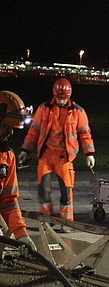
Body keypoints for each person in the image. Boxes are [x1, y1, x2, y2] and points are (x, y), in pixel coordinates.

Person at [18, 78, 95, 224]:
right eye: (58, 98)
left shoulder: (78, 112)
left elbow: (85, 134)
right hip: (46, 156)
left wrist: (89, 153)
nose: (60, 101)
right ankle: (47, 221)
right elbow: (33, 132)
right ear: (54, 94)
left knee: (66, 192)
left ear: (69, 95)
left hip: (64, 158)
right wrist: (25, 150)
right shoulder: (44, 109)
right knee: (43, 190)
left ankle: (67, 222)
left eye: (63, 98)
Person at [0, 90, 36, 253]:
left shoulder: (7, 157)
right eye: (7, 127)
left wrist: (22, 235)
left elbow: (8, 202)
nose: (11, 132)